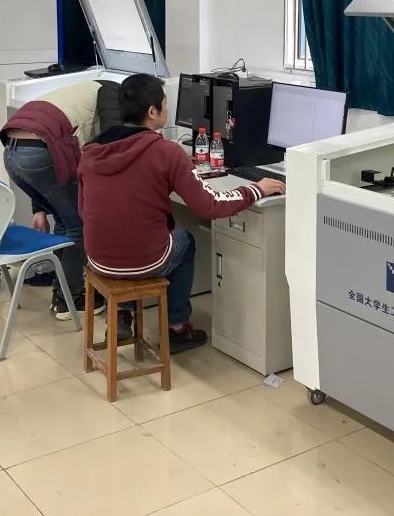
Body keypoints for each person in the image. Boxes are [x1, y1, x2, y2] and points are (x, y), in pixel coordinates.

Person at [78, 73, 286, 354]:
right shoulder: (166, 152)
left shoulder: (91, 151)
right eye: (165, 103)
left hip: (98, 260)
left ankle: (123, 312)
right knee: (185, 240)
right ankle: (177, 327)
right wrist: (255, 189)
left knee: (135, 238)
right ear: (153, 112)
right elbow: (208, 205)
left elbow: (83, 210)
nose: (167, 108)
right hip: (145, 262)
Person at [0, 80, 110, 320]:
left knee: (64, 220)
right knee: (78, 225)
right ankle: (69, 300)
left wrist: (39, 208)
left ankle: (61, 293)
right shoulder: (112, 92)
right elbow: (114, 142)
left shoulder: (83, 89)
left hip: (11, 152)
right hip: (40, 151)